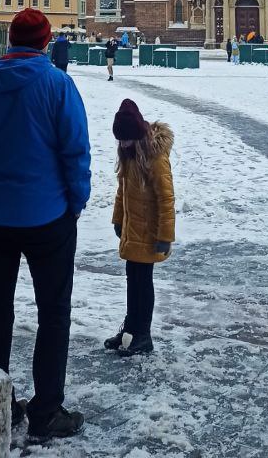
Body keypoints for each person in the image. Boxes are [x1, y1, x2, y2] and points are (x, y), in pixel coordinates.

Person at [0, 8, 91, 442]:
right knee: (53, 311)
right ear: (46, 41)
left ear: (10, 40)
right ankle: (46, 410)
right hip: (48, 217)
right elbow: (75, 151)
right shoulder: (58, 84)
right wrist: (76, 201)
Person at [104, 99, 175, 357]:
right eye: (119, 140)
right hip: (133, 231)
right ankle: (129, 332)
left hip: (149, 234)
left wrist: (165, 236)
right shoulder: (129, 153)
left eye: (126, 139)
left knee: (142, 284)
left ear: (136, 134)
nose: (122, 144)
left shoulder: (155, 158)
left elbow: (166, 199)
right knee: (133, 281)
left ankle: (142, 335)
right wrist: (118, 219)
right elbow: (122, 190)